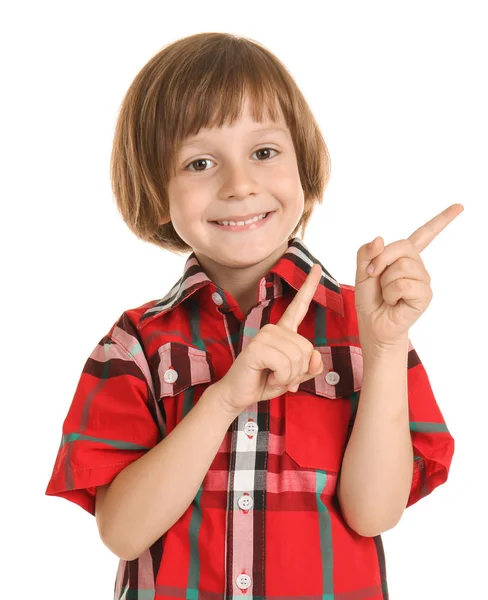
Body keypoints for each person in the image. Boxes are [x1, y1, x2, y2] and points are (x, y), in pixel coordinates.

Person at [45, 32, 457, 600]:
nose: (239, 186)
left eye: (264, 153)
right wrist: (225, 398)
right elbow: (121, 532)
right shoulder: (135, 344)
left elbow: (374, 515)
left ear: (302, 165)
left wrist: (384, 349)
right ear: (155, 191)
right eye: (200, 162)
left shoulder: (366, 329)